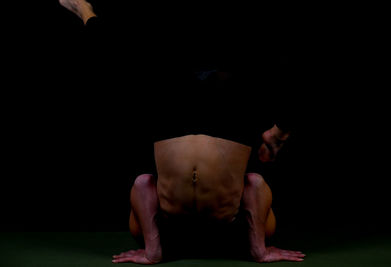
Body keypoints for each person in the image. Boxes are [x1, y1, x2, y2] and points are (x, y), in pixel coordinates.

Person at [59, 0, 304, 264]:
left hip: (178, 120)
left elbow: (143, 186)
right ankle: (87, 13)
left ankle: (86, 13)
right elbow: (254, 185)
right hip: (221, 125)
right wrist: (259, 248)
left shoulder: (150, 215)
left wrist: (152, 248)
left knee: (127, 65)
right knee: (255, 180)